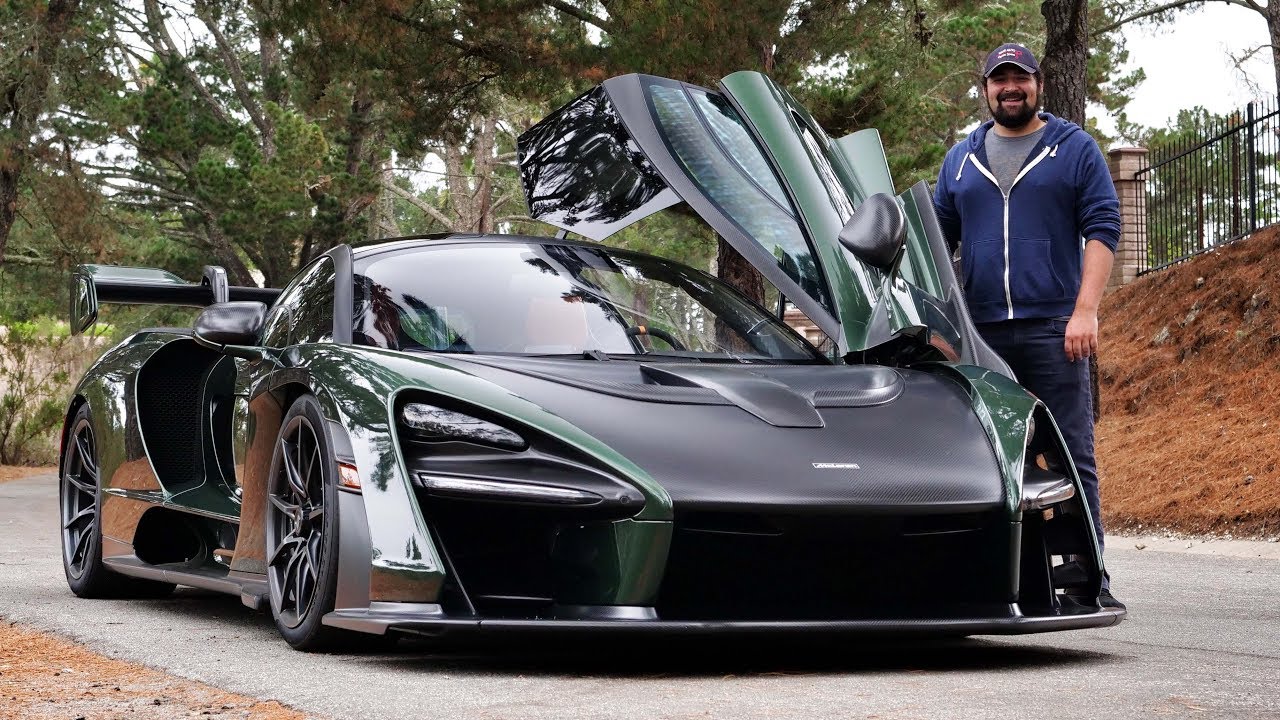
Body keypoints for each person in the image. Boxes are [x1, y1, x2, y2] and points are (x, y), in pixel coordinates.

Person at [932, 42, 1124, 609]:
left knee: (1071, 455)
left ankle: (1089, 579)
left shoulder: (1074, 148)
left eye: (1020, 77)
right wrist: (940, 324)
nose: (1010, 88)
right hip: (981, 336)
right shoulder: (960, 160)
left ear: (1038, 84)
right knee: (982, 459)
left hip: (1055, 330)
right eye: (1000, 79)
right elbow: (935, 244)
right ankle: (986, 580)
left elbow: (1103, 227)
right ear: (985, 89)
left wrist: (1085, 310)